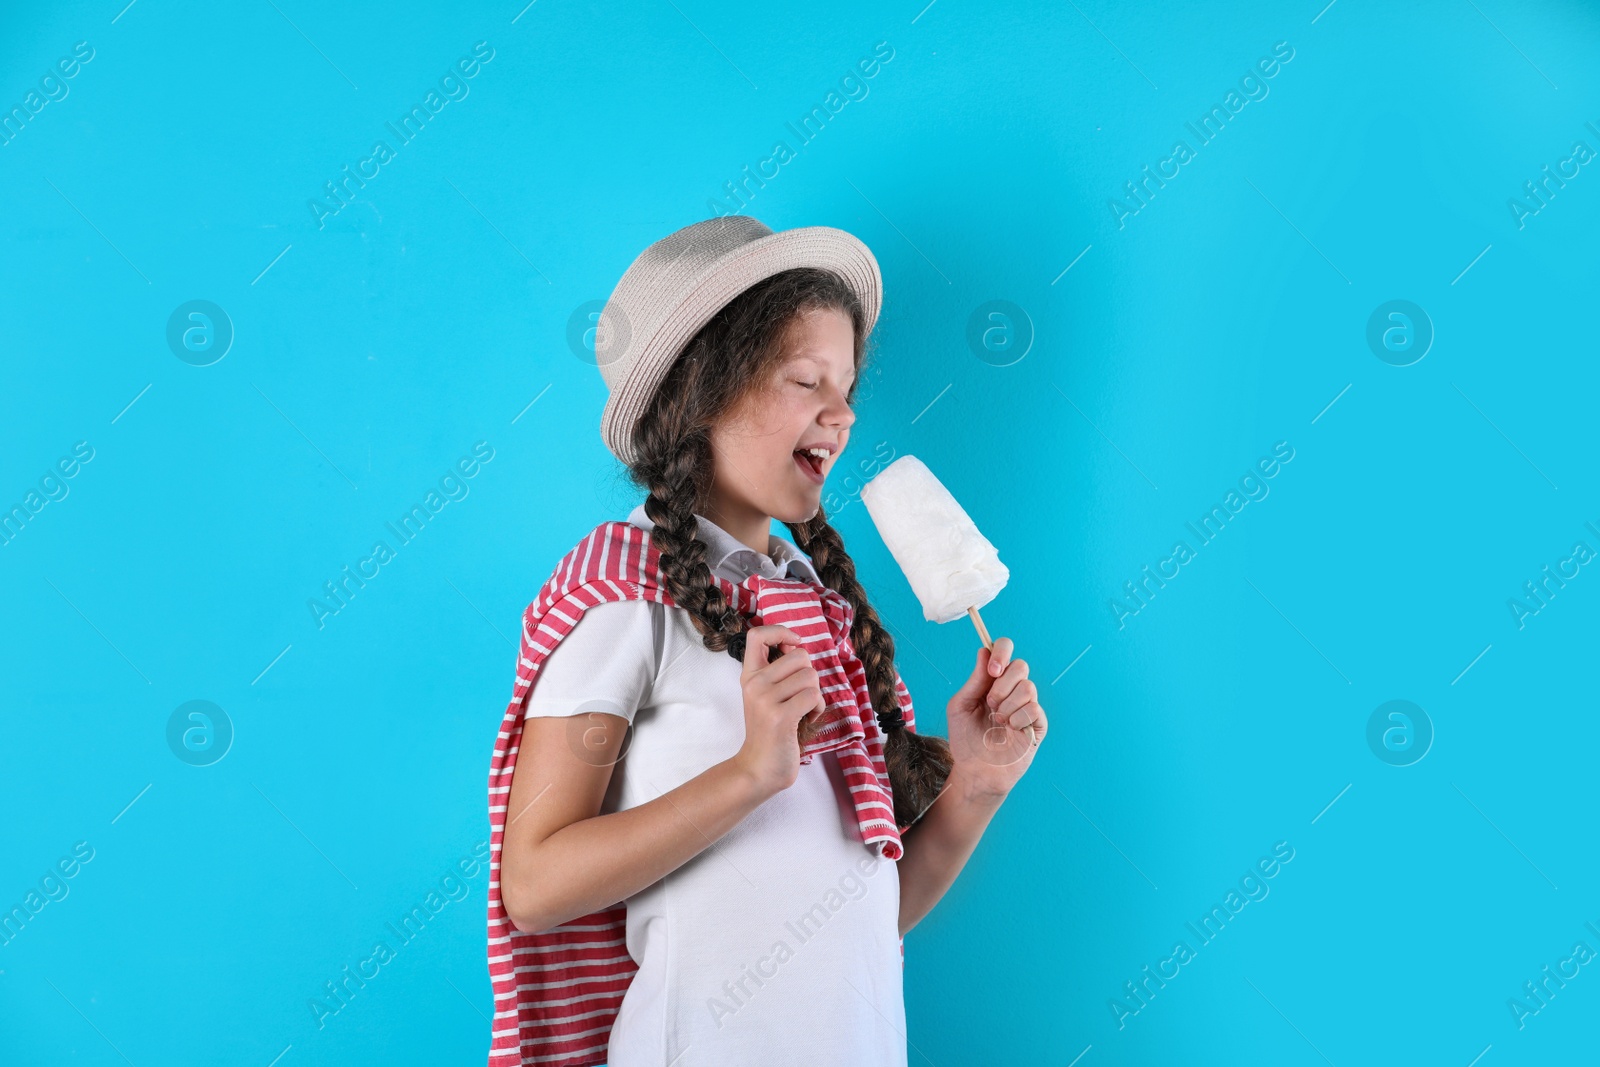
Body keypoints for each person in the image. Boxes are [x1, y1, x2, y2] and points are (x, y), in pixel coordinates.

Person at [485, 215, 1047, 1066]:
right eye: (805, 380)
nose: (843, 413)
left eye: (848, 388)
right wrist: (748, 774)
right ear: (704, 390)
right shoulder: (624, 599)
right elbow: (533, 885)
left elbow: (865, 913)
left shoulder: (823, 613)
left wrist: (979, 780)